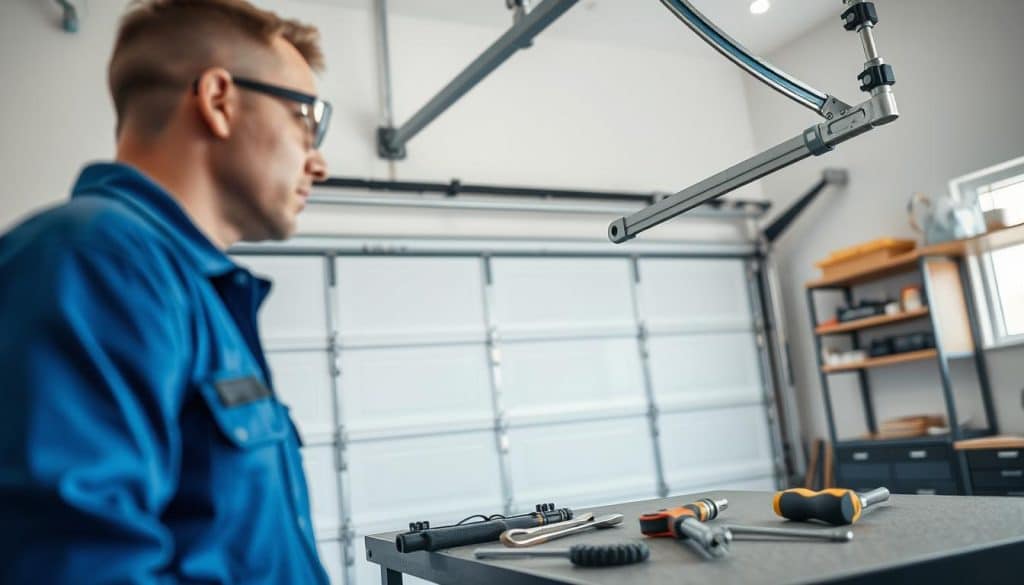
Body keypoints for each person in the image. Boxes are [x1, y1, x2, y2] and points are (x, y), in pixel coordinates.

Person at [0, 0, 331, 582]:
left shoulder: (188, 288)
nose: (318, 162)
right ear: (219, 101)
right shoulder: (96, 261)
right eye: (307, 120)